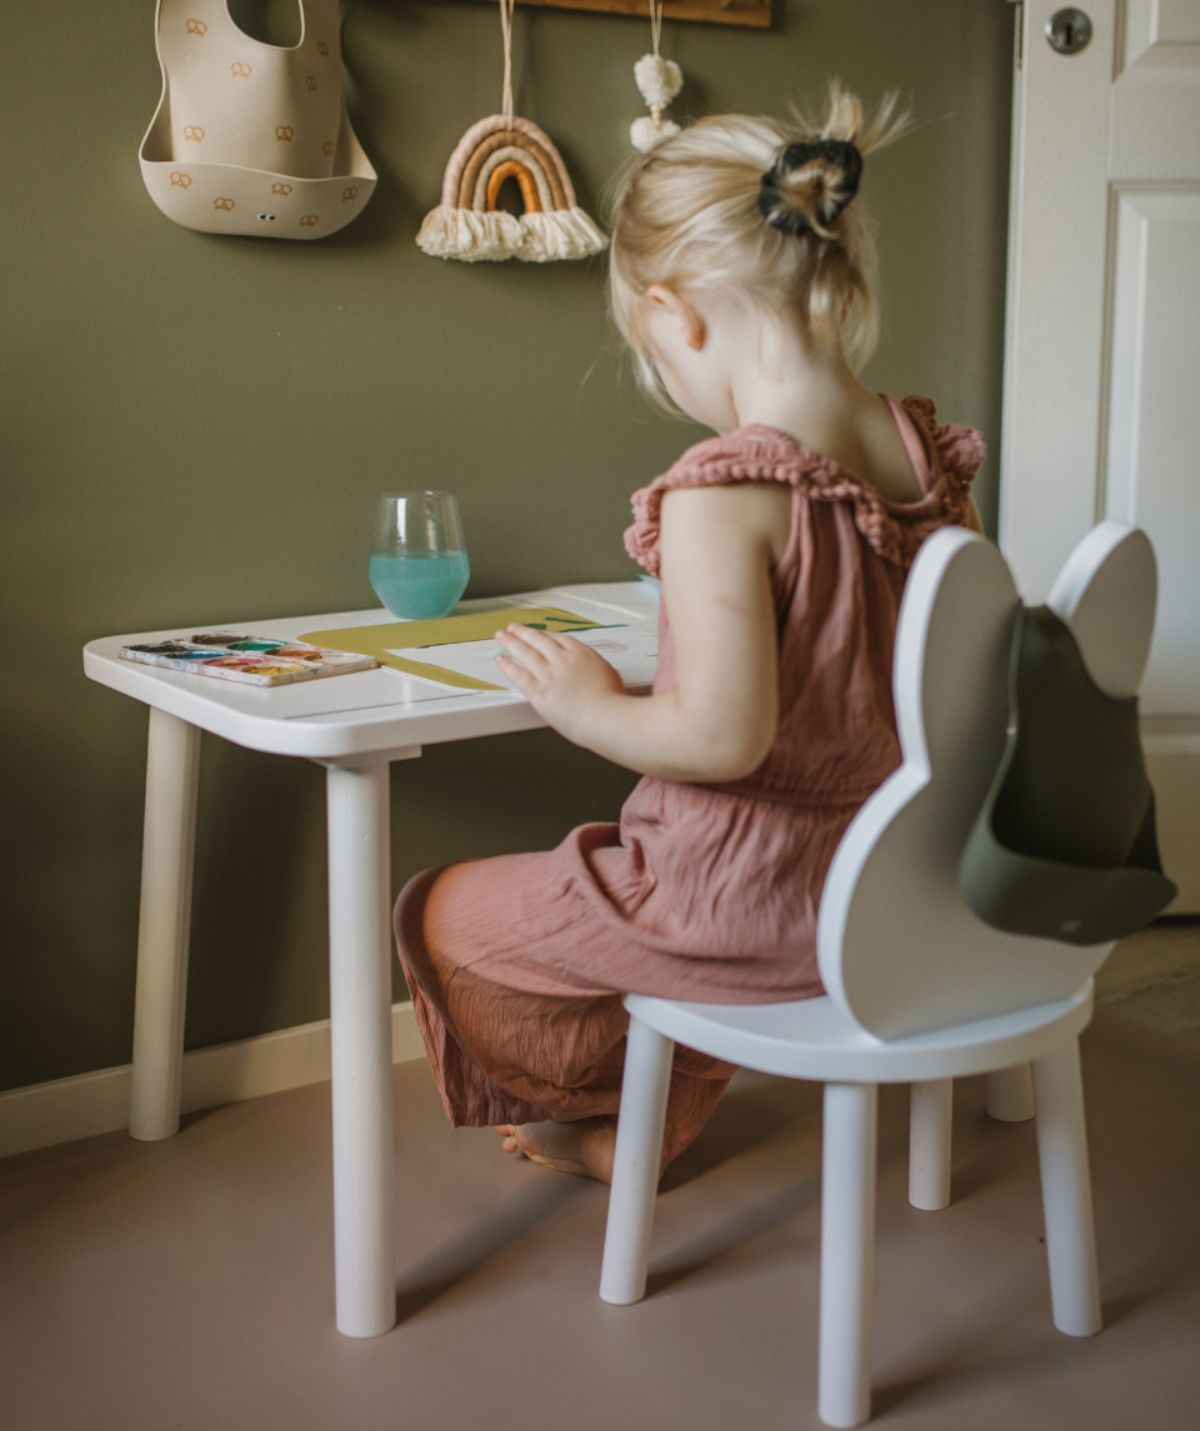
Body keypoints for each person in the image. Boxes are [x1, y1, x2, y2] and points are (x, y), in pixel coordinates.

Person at [393, 82, 985, 1185]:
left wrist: (587, 705)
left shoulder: (726, 486)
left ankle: (635, 1096)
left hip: (747, 905)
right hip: (903, 892)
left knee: (445, 912)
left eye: (652, 352)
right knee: (611, 882)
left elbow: (721, 742)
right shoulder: (922, 454)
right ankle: (661, 1094)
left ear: (677, 313)